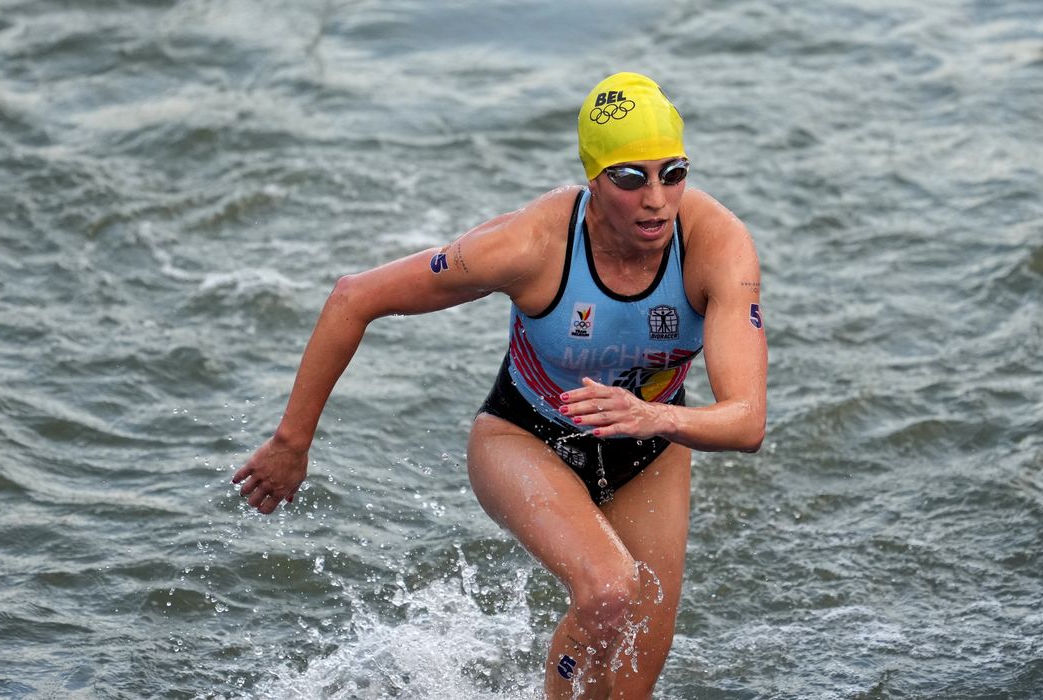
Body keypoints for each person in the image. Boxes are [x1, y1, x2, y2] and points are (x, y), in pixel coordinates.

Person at [233, 71, 767, 699]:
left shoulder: (716, 246)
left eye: (673, 173)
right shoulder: (529, 245)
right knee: (609, 588)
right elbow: (354, 298)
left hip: (650, 447)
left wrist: (657, 419)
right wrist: (292, 441)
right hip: (524, 436)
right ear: (594, 180)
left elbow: (747, 420)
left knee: (628, 686)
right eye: (631, 178)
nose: (656, 199)